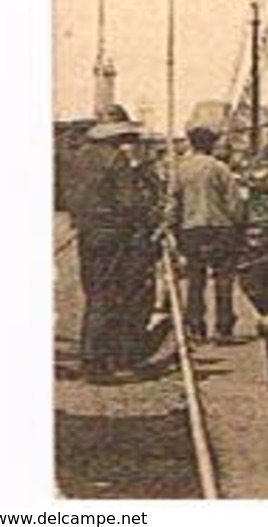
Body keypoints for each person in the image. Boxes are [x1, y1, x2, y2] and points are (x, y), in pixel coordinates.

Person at [71, 111, 168, 379]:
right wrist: (149, 216)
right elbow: (130, 202)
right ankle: (96, 361)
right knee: (110, 295)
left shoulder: (79, 158)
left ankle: (98, 355)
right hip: (114, 235)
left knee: (94, 293)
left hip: (87, 232)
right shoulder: (117, 159)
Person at [172, 126, 246, 342]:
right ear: (211, 144)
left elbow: (173, 202)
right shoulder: (220, 168)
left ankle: (195, 325)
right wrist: (239, 225)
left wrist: (174, 228)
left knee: (196, 279)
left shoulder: (180, 169)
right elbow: (234, 203)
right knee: (224, 279)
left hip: (190, 229)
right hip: (220, 228)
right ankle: (223, 327)